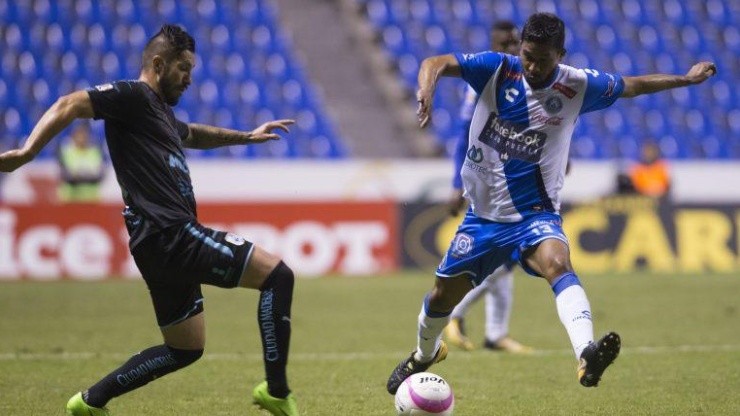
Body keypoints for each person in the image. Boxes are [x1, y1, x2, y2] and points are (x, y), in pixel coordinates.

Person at [386, 12, 716, 394]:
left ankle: (585, 352)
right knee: (440, 297)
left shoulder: (577, 85)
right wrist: (426, 89)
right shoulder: (497, 69)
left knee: (557, 263)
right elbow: (435, 62)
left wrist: (687, 79)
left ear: (561, 54)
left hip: (534, 215)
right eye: (528, 55)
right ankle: (423, 356)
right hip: (482, 219)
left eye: (543, 59)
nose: (533, 65)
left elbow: (634, 85)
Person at [0, 24, 299, 416]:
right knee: (278, 276)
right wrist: (27, 152)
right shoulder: (133, 97)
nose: (189, 79)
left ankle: (89, 402)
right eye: (183, 69)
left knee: (185, 348)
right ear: (158, 63)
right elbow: (68, 103)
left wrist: (246, 136)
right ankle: (276, 391)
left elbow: (194, 134)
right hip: (172, 233)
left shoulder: (158, 115)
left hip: (154, 244)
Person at [444, 20, 532, 354]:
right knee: (511, 254)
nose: (509, 51)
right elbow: (464, 132)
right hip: (492, 180)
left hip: (518, 178)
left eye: (513, 45)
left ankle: (496, 333)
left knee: (505, 259)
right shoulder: (483, 78)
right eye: (503, 45)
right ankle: (455, 311)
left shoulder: (527, 79)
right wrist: (457, 183)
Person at [57, 122, 105, 202]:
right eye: (79, 133)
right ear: (73, 135)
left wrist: (78, 175)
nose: (82, 137)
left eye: (84, 133)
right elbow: (66, 176)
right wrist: (88, 175)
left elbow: (100, 175)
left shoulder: (95, 152)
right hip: (70, 200)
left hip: (91, 200)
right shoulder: (66, 152)